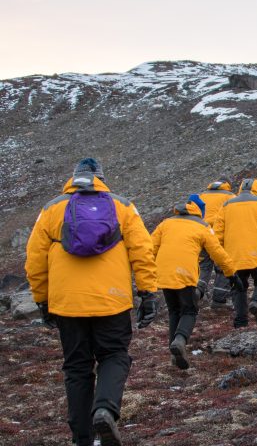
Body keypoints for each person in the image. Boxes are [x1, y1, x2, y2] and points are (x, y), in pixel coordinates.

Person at [25, 158, 158, 446]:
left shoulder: (51, 209)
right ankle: (105, 409)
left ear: (73, 178)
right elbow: (143, 251)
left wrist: (41, 299)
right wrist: (148, 292)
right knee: (114, 355)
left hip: (67, 303)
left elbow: (34, 259)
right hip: (113, 299)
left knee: (76, 367)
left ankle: (81, 438)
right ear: (101, 178)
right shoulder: (123, 206)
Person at [151, 195, 237, 369]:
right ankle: (181, 340)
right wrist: (231, 273)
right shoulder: (202, 226)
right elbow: (217, 253)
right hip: (185, 274)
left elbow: (149, 248)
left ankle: (175, 355)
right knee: (190, 310)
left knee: (174, 311)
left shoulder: (166, 223)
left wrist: (143, 274)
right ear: (200, 212)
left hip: (164, 274)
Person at [214, 178, 257, 328]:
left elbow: (217, 233)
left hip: (234, 256)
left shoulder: (226, 205)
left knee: (238, 287)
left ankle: (240, 322)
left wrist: (219, 255)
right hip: (256, 254)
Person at [197, 176, 236, 307]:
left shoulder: (201, 195)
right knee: (222, 267)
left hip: (200, 234)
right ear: (228, 185)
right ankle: (219, 300)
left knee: (203, 266)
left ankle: (197, 292)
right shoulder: (230, 197)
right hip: (218, 236)